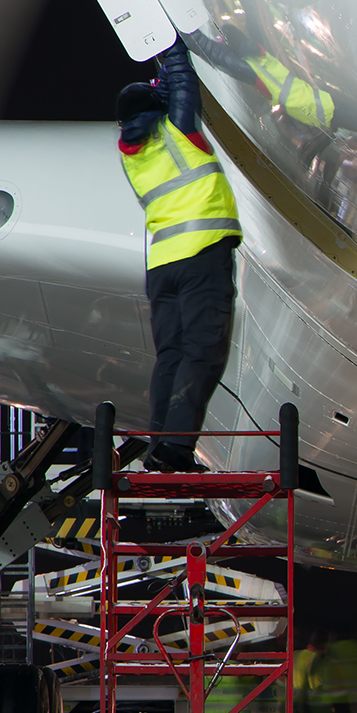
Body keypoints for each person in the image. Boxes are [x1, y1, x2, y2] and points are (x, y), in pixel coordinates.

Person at [117, 40, 241, 472]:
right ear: (159, 111)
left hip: (162, 266)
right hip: (202, 256)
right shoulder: (177, 134)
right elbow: (184, 87)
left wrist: (162, 77)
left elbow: (172, 93)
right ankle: (175, 447)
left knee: (170, 354)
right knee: (203, 351)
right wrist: (172, 47)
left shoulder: (131, 154)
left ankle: (159, 448)